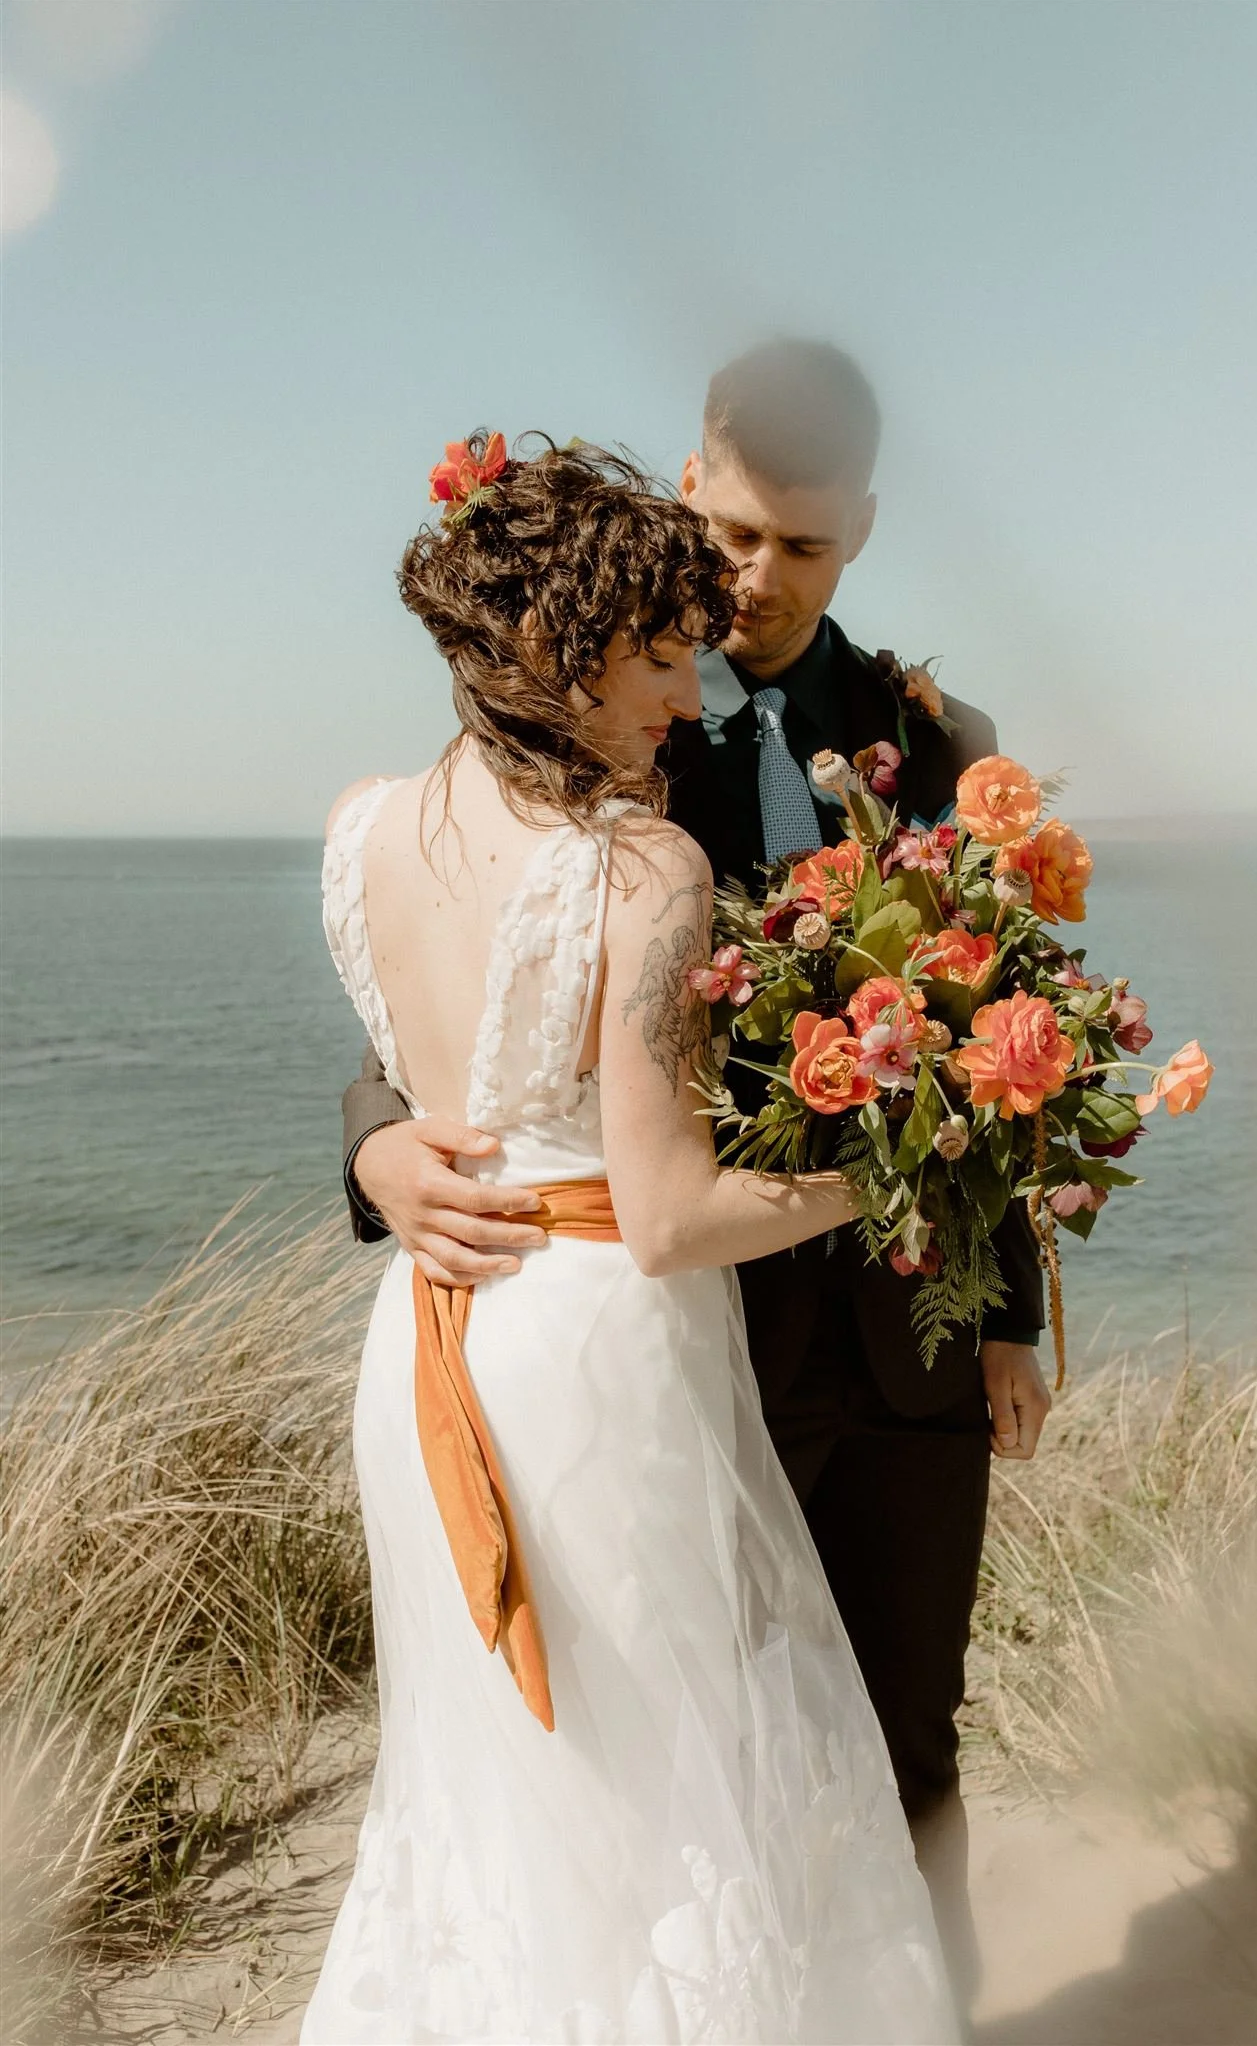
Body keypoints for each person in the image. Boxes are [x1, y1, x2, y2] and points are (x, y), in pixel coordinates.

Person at [342, 343, 1053, 2005]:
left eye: (798, 548)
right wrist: (373, 1140)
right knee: (706, 1771)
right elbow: (454, 937)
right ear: (688, 482)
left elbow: (996, 1028)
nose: (749, 579)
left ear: (860, 532)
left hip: (907, 1339)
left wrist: (1007, 1309)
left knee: (907, 1735)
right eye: (727, 531)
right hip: (671, 1344)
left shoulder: (948, 747)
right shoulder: (581, 714)